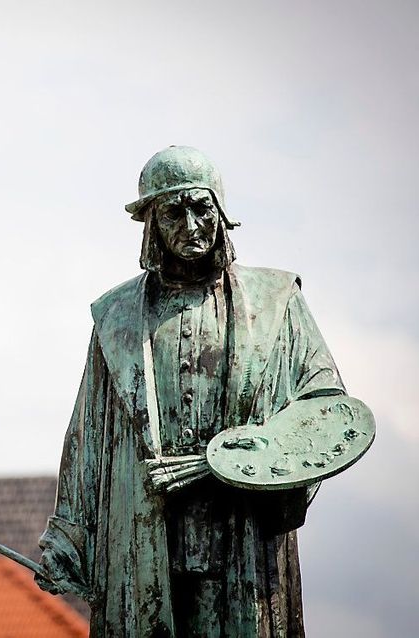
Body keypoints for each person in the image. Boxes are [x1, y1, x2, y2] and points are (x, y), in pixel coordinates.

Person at [35, 146, 349, 637]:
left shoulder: (277, 302)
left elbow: (327, 415)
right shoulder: (115, 319)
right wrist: (67, 540)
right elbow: (86, 439)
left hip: (241, 533)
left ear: (221, 213)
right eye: (172, 211)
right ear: (151, 223)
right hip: (143, 536)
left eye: (200, 208)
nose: (190, 224)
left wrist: (225, 462)